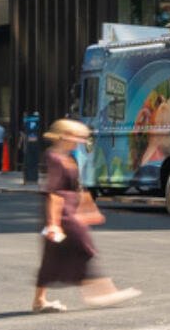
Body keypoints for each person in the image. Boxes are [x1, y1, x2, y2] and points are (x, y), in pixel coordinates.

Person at [32, 119, 140, 313]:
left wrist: (88, 209)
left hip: (70, 210)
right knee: (84, 247)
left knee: (52, 255)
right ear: (64, 136)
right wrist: (54, 223)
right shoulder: (54, 157)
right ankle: (100, 292)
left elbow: (78, 187)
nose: (80, 141)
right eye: (77, 137)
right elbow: (54, 193)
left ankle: (39, 301)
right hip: (63, 214)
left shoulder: (68, 157)